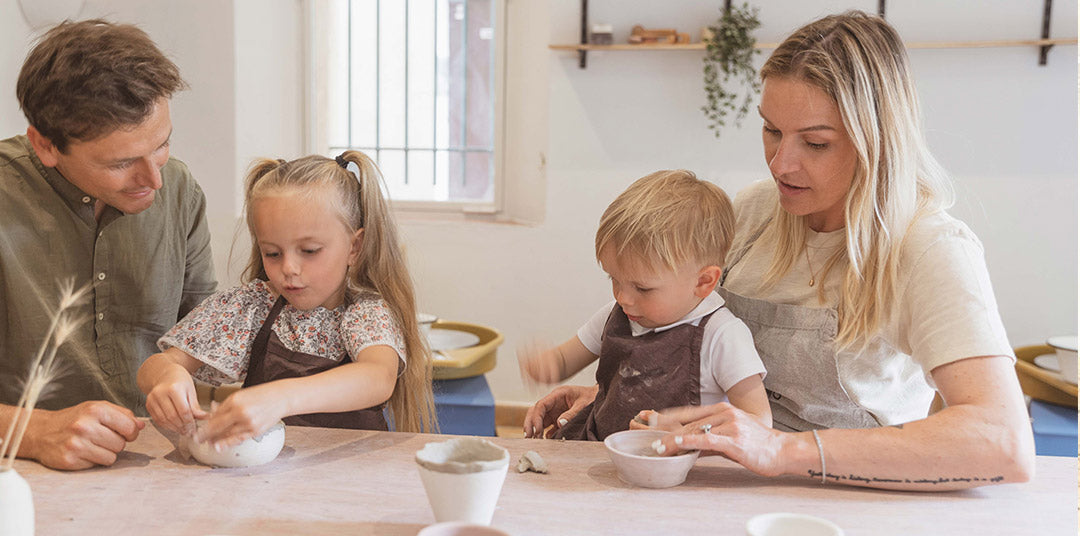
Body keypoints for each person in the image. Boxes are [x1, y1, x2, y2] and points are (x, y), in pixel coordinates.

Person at [525, 11, 1035, 491]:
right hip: (721, 484)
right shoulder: (752, 214)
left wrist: (783, 450)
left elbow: (1003, 443)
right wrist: (624, 400)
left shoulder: (930, 251)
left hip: (850, 502)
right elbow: (692, 345)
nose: (780, 164)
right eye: (771, 130)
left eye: (814, 144)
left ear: (878, 141)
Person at [0, 20, 217, 470]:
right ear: (44, 145)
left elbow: (207, 339)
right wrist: (33, 432)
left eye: (161, 145)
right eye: (120, 163)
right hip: (4, 475)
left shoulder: (179, 190)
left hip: (159, 469)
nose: (154, 179)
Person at [137, 151, 436, 445]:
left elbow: (377, 377)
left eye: (309, 251)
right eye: (273, 253)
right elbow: (157, 364)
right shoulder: (251, 307)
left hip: (352, 481)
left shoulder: (363, 313)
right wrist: (167, 378)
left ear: (354, 247)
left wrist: (281, 398)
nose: (288, 269)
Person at [520, 169, 770, 442]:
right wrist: (546, 365)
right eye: (614, 279)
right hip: (601, 447)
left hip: (677, 470)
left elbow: (758, 422)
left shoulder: (723, 336)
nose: (623, 297)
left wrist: (687, 432)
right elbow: (567, 358)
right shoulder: (617, 315)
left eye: (643, 288)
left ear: (703, 281)